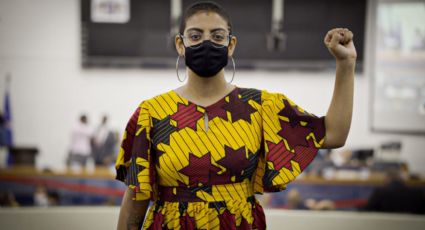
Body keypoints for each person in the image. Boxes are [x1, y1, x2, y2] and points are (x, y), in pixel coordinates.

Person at [116, 1, 355, 229]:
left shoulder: (260, 107)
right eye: (196, 36)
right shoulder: (152, 113)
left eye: (217, 36)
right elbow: (135, 198)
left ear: (230, 45)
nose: (206, 43)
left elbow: (334, 134)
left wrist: (346, 65)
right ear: (180, 44)